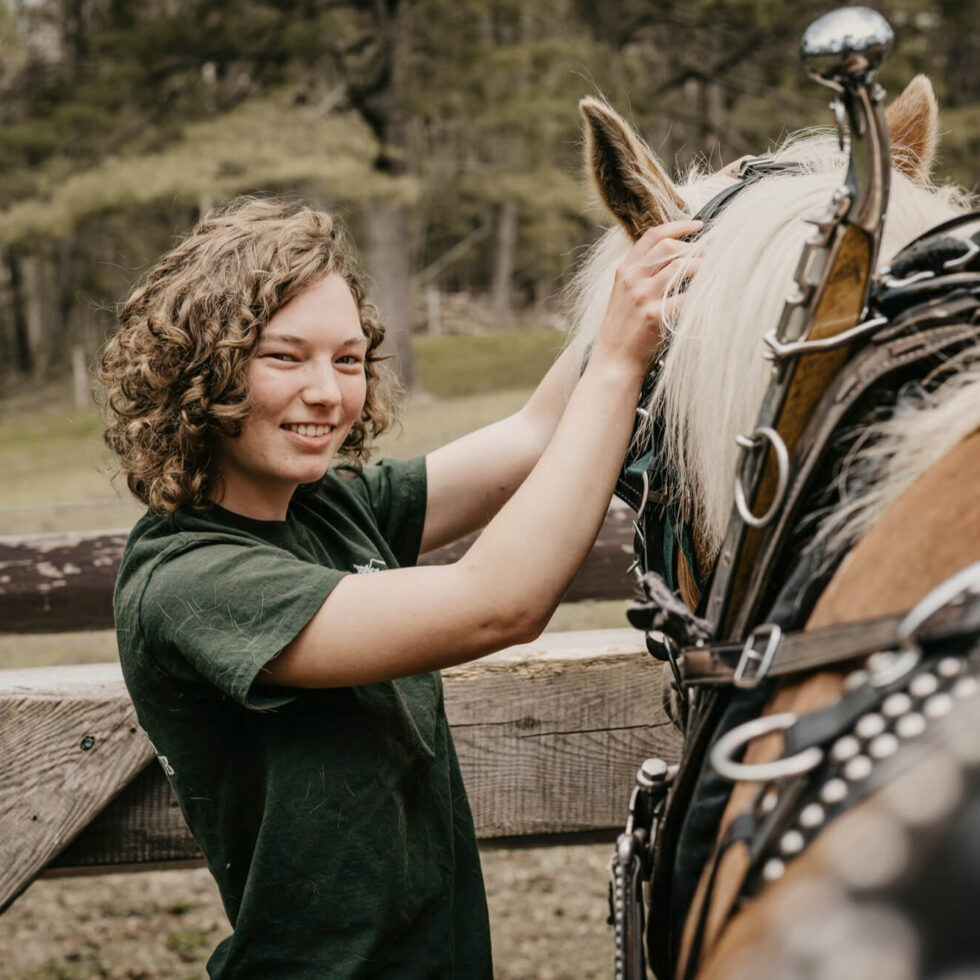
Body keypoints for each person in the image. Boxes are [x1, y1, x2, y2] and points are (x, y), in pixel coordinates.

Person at [100, 196, 701, 978]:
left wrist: (657, 250)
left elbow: (533, 432)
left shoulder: (333, 510)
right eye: (285, 357)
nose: (327, 393)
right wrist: (620, 360)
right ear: (200, 370)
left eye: (348, 360)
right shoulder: (188, 581)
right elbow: (497, 603)